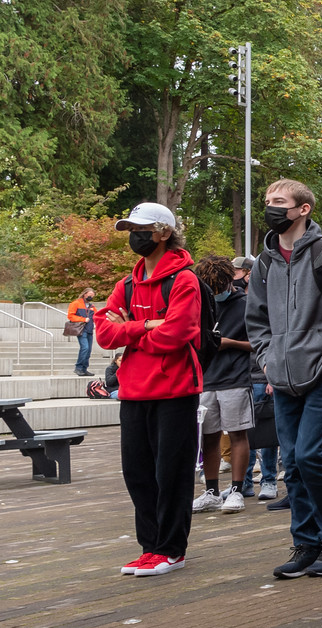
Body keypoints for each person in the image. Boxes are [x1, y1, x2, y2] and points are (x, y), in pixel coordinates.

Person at [246, 179, 322, 580]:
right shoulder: (264, 263)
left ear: (303, 209)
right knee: (292, 467)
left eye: (279, 202)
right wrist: (266, 360)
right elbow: (256, 321)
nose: (270, 208)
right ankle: (306, 543)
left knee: (309, 457)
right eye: (267, 202)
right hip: (281, 378)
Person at [95, 202, 203, 577]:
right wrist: (146, 326)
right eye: (130, 229)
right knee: (137, 473)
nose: (134, 236)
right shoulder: (126, 282)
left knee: (171, 473)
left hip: (175, 392)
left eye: (140, 229)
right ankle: (150, 548)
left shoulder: (185, 279)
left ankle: (172, 550)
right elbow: (105, 333)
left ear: (164, 232)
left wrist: (132, 327)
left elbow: (177, 334)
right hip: (134, 392)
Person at [192, 256, 253, 516]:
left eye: (219, 288)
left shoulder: (246, 304)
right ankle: (212, 491)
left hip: (235, 378)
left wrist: (228, 342)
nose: (215, 293)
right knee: (209, 437)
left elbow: (259, 342)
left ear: (231, 280)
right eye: (210, 289)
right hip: (206, 379)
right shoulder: (199, 302)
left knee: (237, 433)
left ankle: (237, 490)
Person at [232, 257, 278, 502]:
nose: (234, 276)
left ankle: (269, 479)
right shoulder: (237, 303)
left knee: (268, 433)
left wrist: (272, 376)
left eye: (237, 271)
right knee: (243, 434)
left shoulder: (269, 301)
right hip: (241, 377)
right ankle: (244, 483)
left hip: (263, 376)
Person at [68, 288, 96, 375]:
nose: (91, 297)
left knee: (88, 350)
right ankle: (78, 367)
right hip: (81, 329)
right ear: (84, 294)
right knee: (85, 348)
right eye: (89, 295)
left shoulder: (92, 307)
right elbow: (70, 315)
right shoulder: (76, 303)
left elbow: (97, 317)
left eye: (92, 295)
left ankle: (84, 369)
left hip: (89, 329)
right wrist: (83, 319)